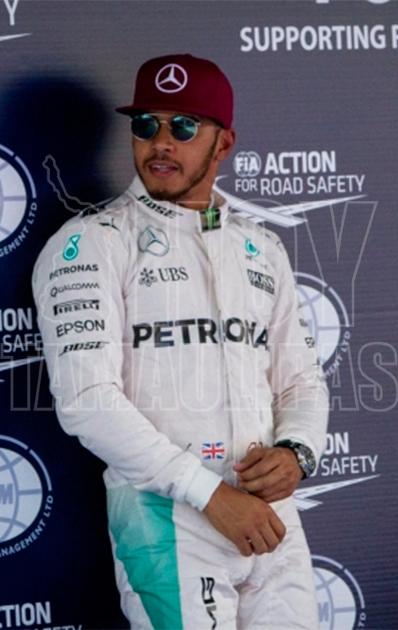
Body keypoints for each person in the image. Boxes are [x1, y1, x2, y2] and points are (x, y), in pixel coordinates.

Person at [32, 53, 328, 630]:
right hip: (166, 521)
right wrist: (211, 496)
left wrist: (297, 452)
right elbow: (87, 401)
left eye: (184, 127)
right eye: (146, 125)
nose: (160, 143)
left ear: (224, 143)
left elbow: (301, 380)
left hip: (270, 521)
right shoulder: (92, 243)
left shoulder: (261, 248)